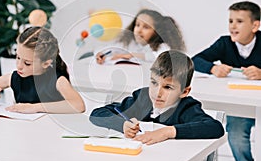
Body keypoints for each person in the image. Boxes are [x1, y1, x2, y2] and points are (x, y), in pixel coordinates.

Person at [90, 50, 224, 145]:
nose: (157, 93)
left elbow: (215, 128)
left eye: (167, 87)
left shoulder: (186, 108)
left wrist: (167, 132)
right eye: (154, 83)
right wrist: (122, 124)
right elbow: (96, 115)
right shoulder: (142, 98)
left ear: (184, 91)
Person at [192, 1, 261, 161]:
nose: (233, 26)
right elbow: (195, 60)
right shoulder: (224, 43)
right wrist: (212, 68)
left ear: (255, 25)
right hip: (240, 103)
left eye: (239, 21)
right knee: (236, 134)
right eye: (230, 21)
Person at [0, 26, 85, 114]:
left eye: (27, 63)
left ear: (46, 63)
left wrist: (34, 107)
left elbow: (78, 106)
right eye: (18, 57)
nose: (19, 66)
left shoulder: (58, 81)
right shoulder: (13, 77)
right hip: (23, 132)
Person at [96, 9, 186, 64]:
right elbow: (112, 48)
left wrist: (132, 55)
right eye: (137, 25)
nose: (139, 30)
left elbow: (160, 58)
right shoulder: (130, 42)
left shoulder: (162, 46)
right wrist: (101, 54)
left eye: (146, 27)